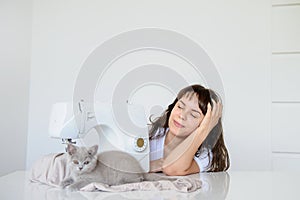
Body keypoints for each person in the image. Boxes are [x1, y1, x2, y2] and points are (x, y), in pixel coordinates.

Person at [148, 84, 230, 175]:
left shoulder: (205, 154)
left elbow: (171, 169)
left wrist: (203, 131)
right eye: (180, 107)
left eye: (193, 115)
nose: (182, 115)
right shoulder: (151, 133)